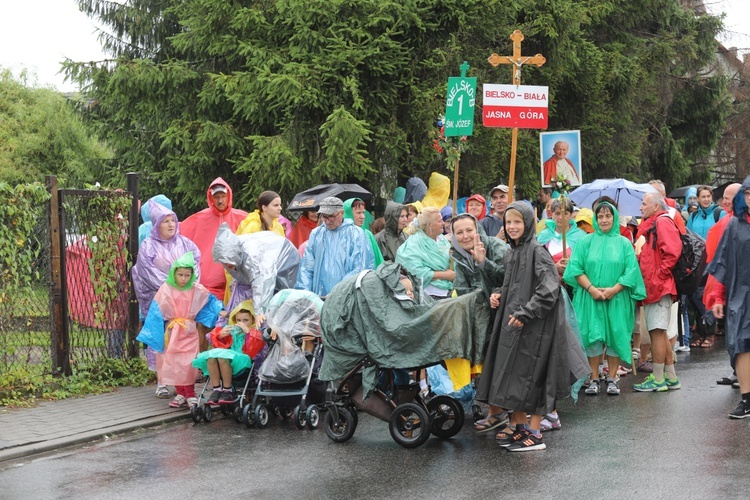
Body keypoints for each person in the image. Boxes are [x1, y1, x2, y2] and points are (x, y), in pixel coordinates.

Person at [476, 202, 589, 451]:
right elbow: (512, 284)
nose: (512, 227)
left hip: (537, 327)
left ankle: (535, 433)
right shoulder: (512, 252)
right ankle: (520, 428)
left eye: (518, 222)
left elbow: (549, 289)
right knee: (515, 375)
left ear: (527, 223)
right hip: (516, 325)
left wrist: (526, 312)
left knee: (535, 376)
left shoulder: (538, 251)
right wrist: (498, 294)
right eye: (509, 222)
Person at [563, 201, 646, 396]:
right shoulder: (585, 242)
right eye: (600, 216)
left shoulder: (624, 243)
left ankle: (612, 377)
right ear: (595, 219)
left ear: (615, 217)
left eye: (608, 216)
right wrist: (591, 288)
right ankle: (593, 377)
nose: (604, 220)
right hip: (590, 299)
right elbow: (575, 268)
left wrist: (614, 290)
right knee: (593, 338)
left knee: (615, 335)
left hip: (617, 299)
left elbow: (631, 271)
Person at [136, 252, 224, 409]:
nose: (183, 278)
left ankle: (190, 393)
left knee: (188, 362)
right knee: (174, 362)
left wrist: (220, 310)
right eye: (181, 274)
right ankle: (180, 393)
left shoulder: (196, 289)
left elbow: (209, 301)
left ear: (192, 275)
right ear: (174, 273)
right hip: (172, 332)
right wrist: (154, 336)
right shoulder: (165, 289)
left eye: (187, 275)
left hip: (189, 331)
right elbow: (155, 312)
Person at [132, 200, 201, 399]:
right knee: (162, 340)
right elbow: (146, 271)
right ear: (156, 225)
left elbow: (196, 264)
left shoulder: (185, 243)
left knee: (181, 343)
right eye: (165, 221)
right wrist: (173, 287)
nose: (171, 225)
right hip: (160, 301)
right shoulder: (148, 245)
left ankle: (183, 385)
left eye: (173, 220)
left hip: (183, 303)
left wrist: (185, 286)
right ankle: (162, 382)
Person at [707, 178, 750, 418]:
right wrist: (718, 297)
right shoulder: (734, 225)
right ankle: (746, 399)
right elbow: (721, 263)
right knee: (742, 346)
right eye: (748, 194)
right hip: (741, 295)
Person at [632, 192, 682, 393]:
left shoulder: (661, 222)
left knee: (657, 332)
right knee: (659, 331)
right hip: (657, 286)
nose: (641, 207)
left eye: (644, 204)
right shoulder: (657, 223)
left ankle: (658, 379)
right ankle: (670, 377)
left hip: (659, 287)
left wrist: (658, 275)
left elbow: (672, 252)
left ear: (655, 206)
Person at [180, 178, 248, 300]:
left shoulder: (243, 218)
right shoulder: (198, 219)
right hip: (207, 286)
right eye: (216, 197)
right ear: (211, 198)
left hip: (235, 283)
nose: (220, 200)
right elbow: (176, 232)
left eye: (223, 196)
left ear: (229, 196)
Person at [704, 183, 742, 385]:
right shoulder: (726, 222)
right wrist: (718, 294)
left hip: (740, 288)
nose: (724, 201)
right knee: (732, 331)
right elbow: (718, 259)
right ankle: (737, 371)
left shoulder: (736, 223)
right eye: (725, 197)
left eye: (729, 197)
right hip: (728, 287)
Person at [295, 196, 372, 297]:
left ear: (342, 213)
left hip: (347, 297)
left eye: (331, 216)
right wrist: (305, 294)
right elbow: (306, 267)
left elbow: (359, 268)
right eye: (324, 216)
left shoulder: (356, 234)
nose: (327, 221)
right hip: (319, 297)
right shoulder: (317, 234)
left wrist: (337, 292)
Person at [193, 301, 262, 405]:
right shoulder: (232, 330)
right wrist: (220, 336)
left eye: (245, 320)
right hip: (229, 359)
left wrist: (248, 332)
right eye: (238, 320)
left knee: (222, 357)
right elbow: (221, 347)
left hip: (244, 360)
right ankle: (217, 389)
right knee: (211, 357)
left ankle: (227, 390)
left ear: (252, 320)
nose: (241, 322)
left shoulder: (255, 332)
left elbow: (253, 349)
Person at [395, 207, 454, 300]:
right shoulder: (413, 244)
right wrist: (445, 275)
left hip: (447, 292)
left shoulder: (443, 240)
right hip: (427, 295)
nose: (443, 223)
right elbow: (415, 272)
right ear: (429, 225)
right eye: (439, 221)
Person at [451, 213, 508, 298]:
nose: (465, 236)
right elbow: (461, 290)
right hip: (478, 307)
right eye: (459, 232)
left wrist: (484, 263)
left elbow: (506, 279)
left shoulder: (496, 246)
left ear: (478, 230)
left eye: (469, 230)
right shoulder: (459, 258)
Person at [537, 198, 586, 276]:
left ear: (571, 215)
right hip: (549, 284)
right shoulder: (542, 236)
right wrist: (554, 268)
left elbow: (587, 263)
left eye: (565, 213)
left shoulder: (581, 237)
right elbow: (536, 264)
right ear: (551, 215)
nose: (561, 217)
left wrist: (571, 265)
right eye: (557, 213)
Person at [343, 198, 383, 268]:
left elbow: (378, 260)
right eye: (358, 213)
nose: (362, 217)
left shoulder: (368, 234)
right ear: (349, 214)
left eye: (363, 212)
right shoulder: (343, 236)